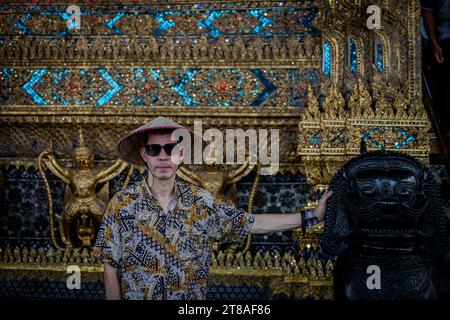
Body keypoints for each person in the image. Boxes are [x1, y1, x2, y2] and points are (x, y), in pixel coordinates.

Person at [95, 116, 332, 300]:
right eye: (155, 150)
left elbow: (253, 223)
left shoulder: (201, 202)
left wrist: (312, 216)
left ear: (181, 154)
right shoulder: (123, 204)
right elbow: (110, 267)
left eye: (171, 149)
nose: (163, 157)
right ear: (145, 154)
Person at [422, 0, 450, 129]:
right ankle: (444, 128)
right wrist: (434, 43)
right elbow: (428, 10)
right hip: (445, 40)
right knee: (443, 89)